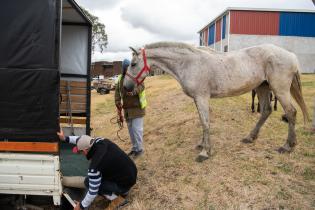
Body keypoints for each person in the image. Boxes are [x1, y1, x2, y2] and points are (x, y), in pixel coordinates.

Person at [57, 130, 137, 210]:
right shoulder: (100, 141)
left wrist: (81, 206)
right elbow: (80, 139)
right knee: (93, 180)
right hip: (131, 174)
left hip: (124, 185)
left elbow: (93, 191)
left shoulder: (95, 166)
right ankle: (119, 191)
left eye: (80, 152)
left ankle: (118, 199)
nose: (81, 154)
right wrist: (65, 138)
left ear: (85, 150)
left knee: (88, 183)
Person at [115, 59, 147, 158]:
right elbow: (117, 91)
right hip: (127, 110)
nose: (126, 69)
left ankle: (139, 149)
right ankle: (134, 148)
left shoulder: (136, 76)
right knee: (131, 131)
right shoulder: (121, 78)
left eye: (128, 67)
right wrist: (117, 101)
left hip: (137, 108)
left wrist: (133, 92)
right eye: (125, 68)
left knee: (137, 130)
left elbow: (142, 86)